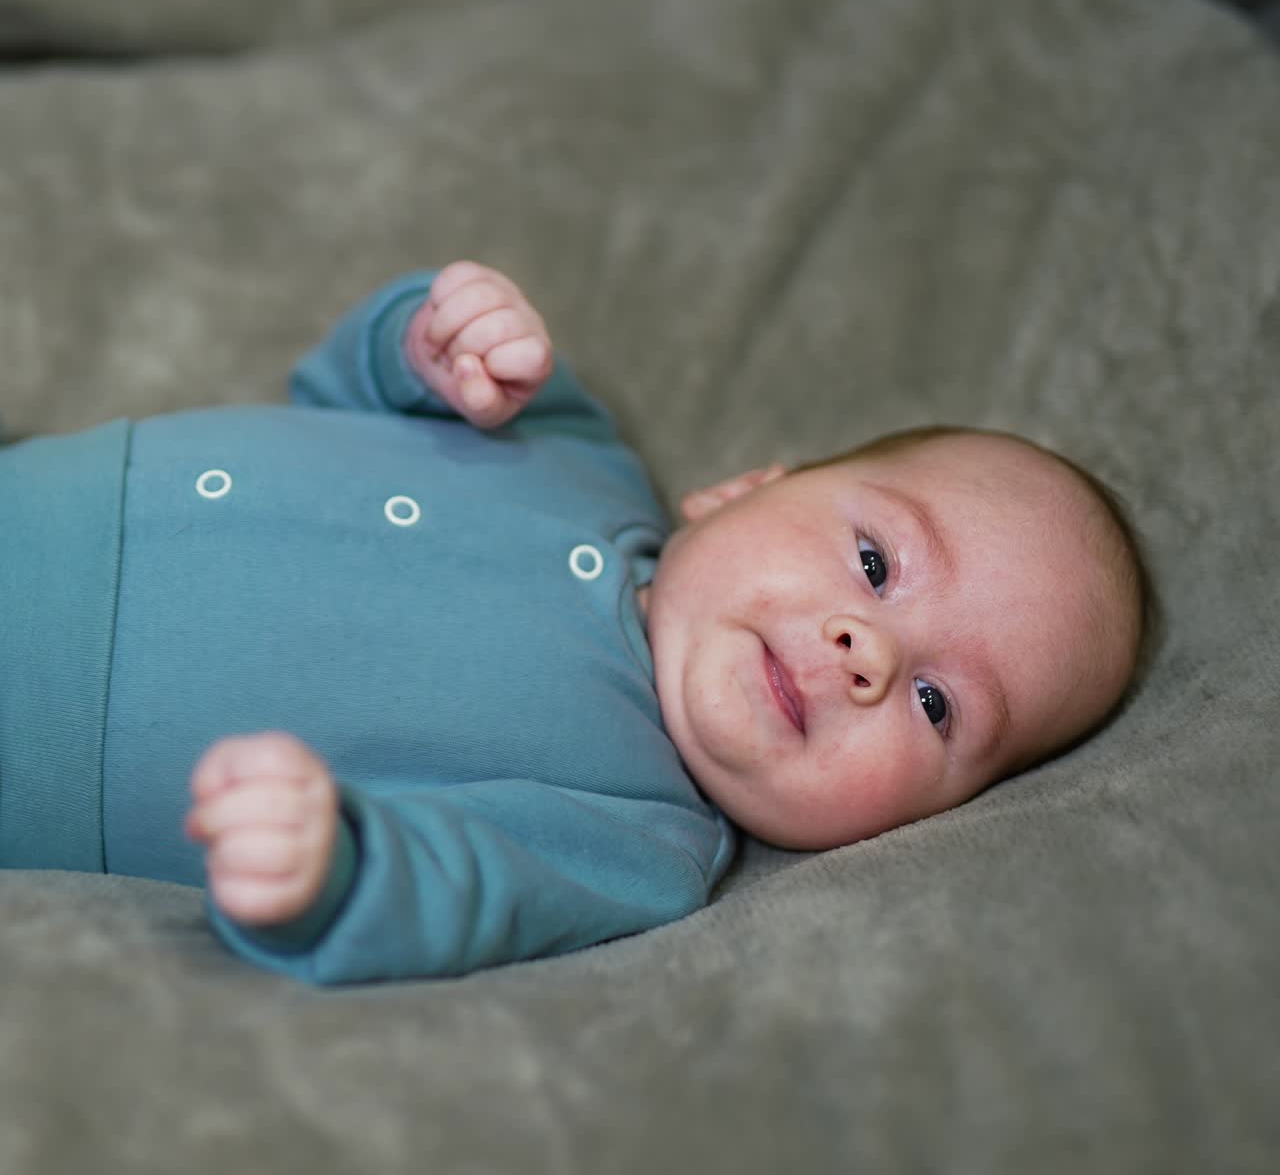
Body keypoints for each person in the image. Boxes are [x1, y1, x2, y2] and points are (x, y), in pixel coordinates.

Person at [0, 261, 1152, 983]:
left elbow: (458, 886)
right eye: (872, 561)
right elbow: (342, 391)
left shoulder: (640, 840)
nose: (871, 653)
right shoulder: (571, 440)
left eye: (938, 705)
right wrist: (427, 337)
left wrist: (332, 862)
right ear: (742, 488)